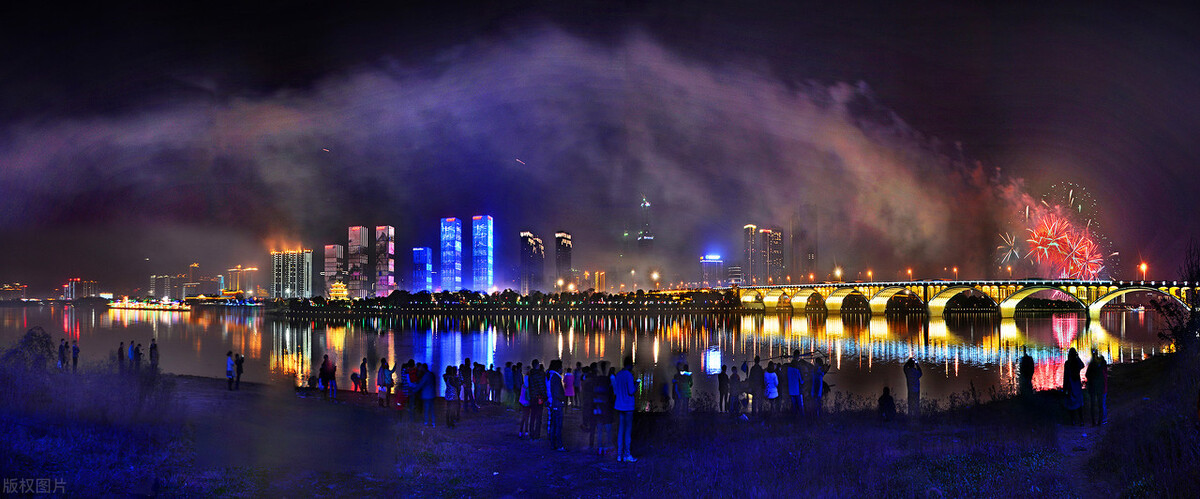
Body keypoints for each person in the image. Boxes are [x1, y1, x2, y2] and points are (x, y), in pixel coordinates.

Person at [613, 356, 639, 462]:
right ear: (630, 364)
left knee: (620, 430)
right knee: (627, 431)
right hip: (628, 406)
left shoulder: (618, 374)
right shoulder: (628, 375)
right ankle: (627, 454)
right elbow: (631, 391)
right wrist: (637, 383)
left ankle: (619, 455)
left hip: (619, 405)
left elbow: (615, 390)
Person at [590, 362, 615, 456]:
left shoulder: (596, 380)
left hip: (598, 407)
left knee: (600, 429)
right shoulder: (609, 380)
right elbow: (613, 394)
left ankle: (600, 447)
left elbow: (593, 394)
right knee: (608, 429)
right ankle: (608, 447)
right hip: (607, 407)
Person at [547, 359, 567, 451]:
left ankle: (552, 444)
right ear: (558, 368)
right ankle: (559, 445)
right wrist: (563, 398)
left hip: (553, 404)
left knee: (553, 425)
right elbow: (557, 393)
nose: (562, 369)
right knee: (558, 425)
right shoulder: (556, 378)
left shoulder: (550, 376)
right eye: (561, 367)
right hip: (557, 404)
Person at [1063, 348, 1086, 426]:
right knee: (1079, 404)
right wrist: (1077, 357)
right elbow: (1082, 365)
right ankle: (1081, 421)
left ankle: (1073, 421)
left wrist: (1064, 388)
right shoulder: (1077, 363)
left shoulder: (1067, 363)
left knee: (1071, 404)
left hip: (1070, 385)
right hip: (1077, 385)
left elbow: (1065, 376)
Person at [1085, 348, 1108, 426]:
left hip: (1092, 387)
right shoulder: (1102, 363)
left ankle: (1093, 422)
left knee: (1093, 405)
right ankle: (1100, 421)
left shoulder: (1092, 364)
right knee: (1100, 404)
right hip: (1100, 387)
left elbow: (1087, 375)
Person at [527, 360, 547, 440]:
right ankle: (537, 434)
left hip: (532, 397)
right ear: (537, 365)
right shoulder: (538, 375)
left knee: (532, 416)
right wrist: (545, 396)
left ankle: (531, 432)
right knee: (539, 416)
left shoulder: (530, 374)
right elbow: (541, 386)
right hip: (539, 397)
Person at [519, 364, 531, 438]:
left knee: (523, 417)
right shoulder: (529, 387)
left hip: (522, 402)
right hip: (528, 402)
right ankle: (526, 431)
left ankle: (521, 431)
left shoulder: (523, 386)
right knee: (527, 417)